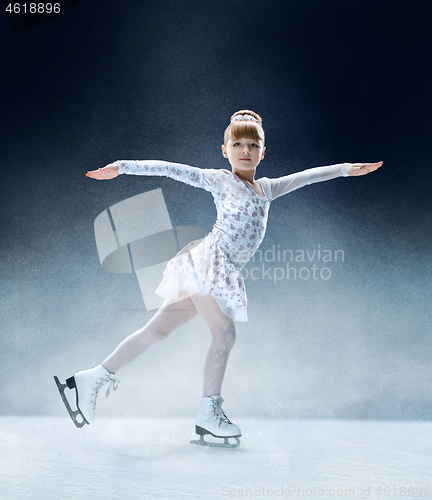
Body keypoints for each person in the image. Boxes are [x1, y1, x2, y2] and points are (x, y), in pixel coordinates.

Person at [54, 110, 382, 447]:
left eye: (253, 144)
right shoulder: (220, 180)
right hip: (208, 263)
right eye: (237, 143)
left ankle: (89, 378)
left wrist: (345, 170)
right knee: (224, 334)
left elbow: (307, 177)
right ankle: (208, 413)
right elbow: (170, 169)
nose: (245, 150)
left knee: (157, 330)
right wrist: (122, 166)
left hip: (219, 271)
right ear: (225, 150)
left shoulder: (267, 189)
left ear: (263, 152)